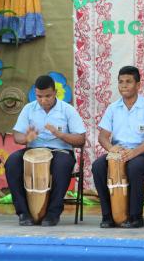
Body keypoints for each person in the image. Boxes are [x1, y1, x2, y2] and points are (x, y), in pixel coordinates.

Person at [5, 75, 86, 226]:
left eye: (47, 96)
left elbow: (81, 139)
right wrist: (26, 138)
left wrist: (59, 134)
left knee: (62, 165)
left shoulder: (67, 110)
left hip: (59, 151)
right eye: (39, 96)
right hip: (33, 151)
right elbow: (17, 136)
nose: (43, 100)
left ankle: (52, 214)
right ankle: (23, 213)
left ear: (55, 92)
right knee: (12, 162)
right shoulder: (29, 109)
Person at [92, 66, 144, 228]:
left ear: (138, 85)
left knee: (134, 167)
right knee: (97, 167)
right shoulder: (113, 108)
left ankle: (135, 216)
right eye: (121, 82)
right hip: (118, 152)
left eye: (129, 82)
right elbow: (103, 137)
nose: (124, 85)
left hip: (143, 152)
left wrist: (134, 153)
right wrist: (111, 148)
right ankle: (107, 215)